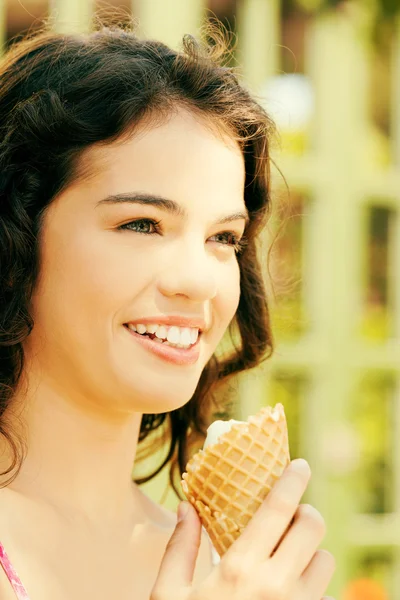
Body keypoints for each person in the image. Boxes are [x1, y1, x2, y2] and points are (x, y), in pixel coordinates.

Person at [0, 21, 336, 600]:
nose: (199, 280)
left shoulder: (230, 569)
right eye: (142, 224)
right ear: (18, 233)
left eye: (224, 238)